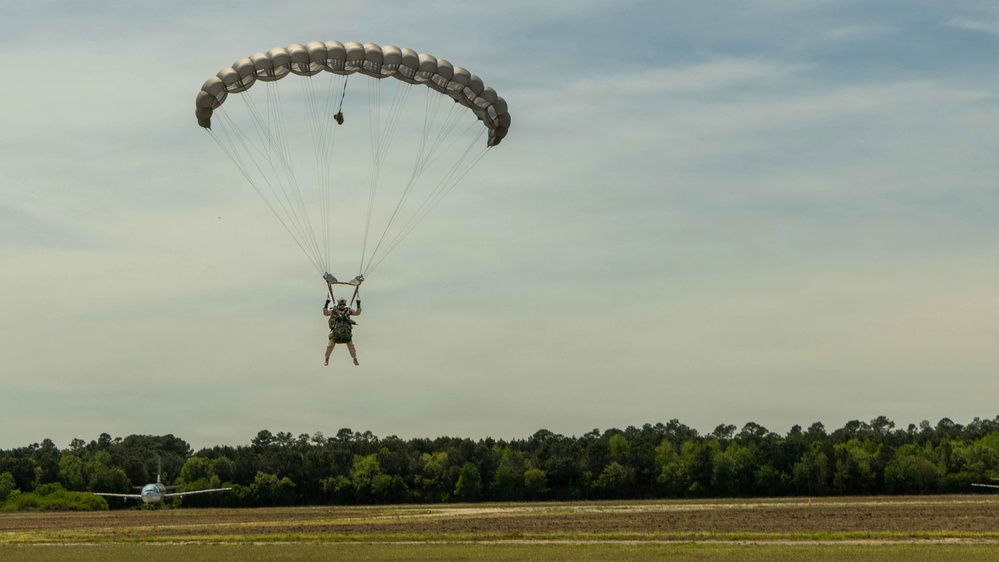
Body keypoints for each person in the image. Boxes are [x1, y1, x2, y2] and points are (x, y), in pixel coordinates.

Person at [324, 296, 361, 366]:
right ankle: (327, 358)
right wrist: (326, 304)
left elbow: (357, 313)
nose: (342, 306)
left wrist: (358, 304)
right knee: (330, 345)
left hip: (345, 332)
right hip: (336, 332)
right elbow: (326, 313)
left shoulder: (348, 311)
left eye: (343, 305)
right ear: (338, 305)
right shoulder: (334, 311)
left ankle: (354, 358)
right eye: (340, 305)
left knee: (351, 345)